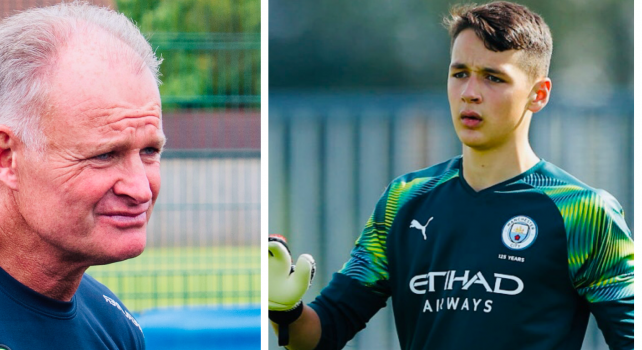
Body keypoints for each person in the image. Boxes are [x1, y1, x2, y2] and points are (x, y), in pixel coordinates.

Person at [268, 2, 634, 350]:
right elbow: (323, 331)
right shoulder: (403, 200)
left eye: (493, 78)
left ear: (538, 95)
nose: (470, 93)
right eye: (460, 73)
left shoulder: (585, 212)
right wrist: (284, 310)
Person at [0, 2, 164, 349]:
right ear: (6, 156)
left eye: (149, 151)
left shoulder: (115, 329)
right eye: (104, 155)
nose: (140, 189)